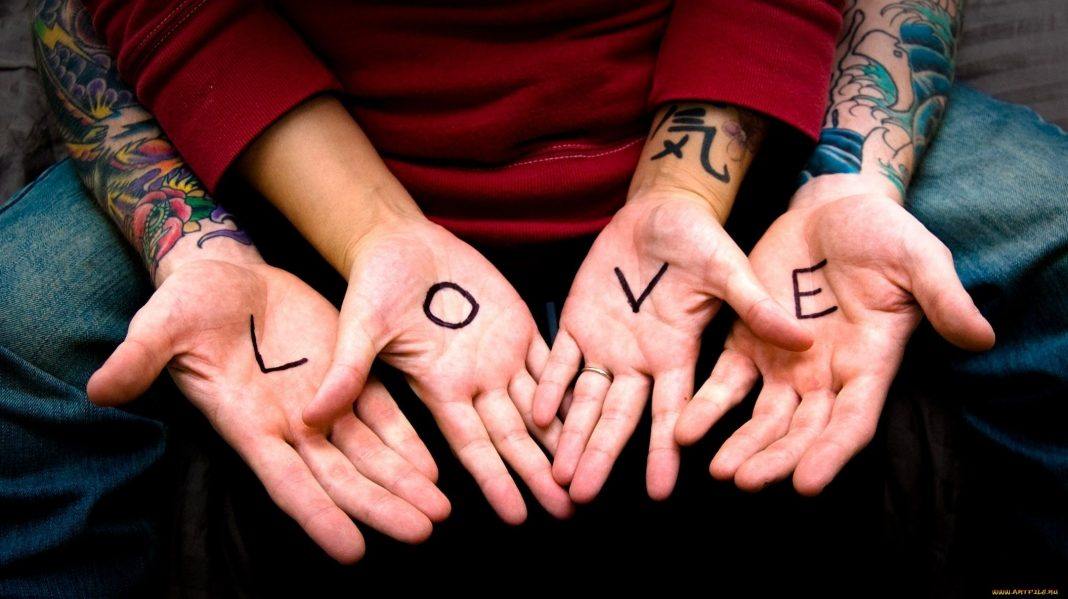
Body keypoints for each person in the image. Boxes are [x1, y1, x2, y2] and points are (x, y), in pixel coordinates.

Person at [1, 0, 1064, 594]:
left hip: (738, 107)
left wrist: (802, 180)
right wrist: (321, 234)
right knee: (23, 320)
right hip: (285, 146)